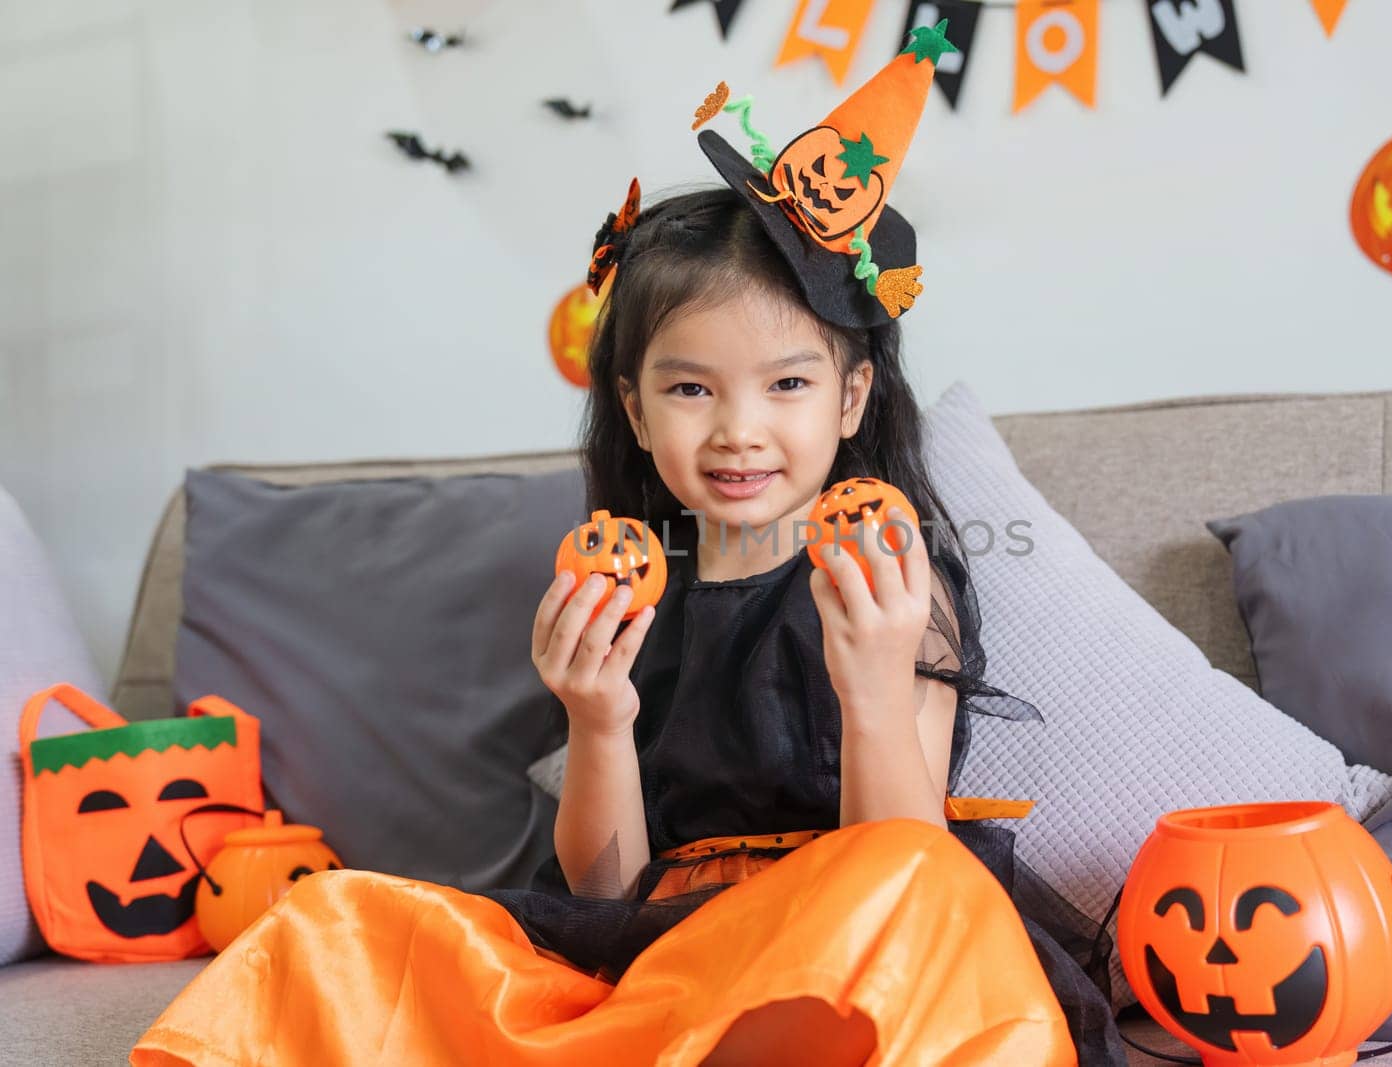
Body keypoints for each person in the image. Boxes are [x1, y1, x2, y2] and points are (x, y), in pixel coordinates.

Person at [132, 21, 1123, 1066]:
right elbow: (604, 892)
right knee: (339, 920)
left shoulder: (889, 580)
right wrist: (597, 718)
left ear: (850, 397)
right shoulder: (636, 592)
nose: (739, 429)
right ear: (637, 410)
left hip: (841, 960)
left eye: (786, 384)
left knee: (925, 888)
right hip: (666, 954)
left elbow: (905, 878)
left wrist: (875, 680)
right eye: (691, 388)